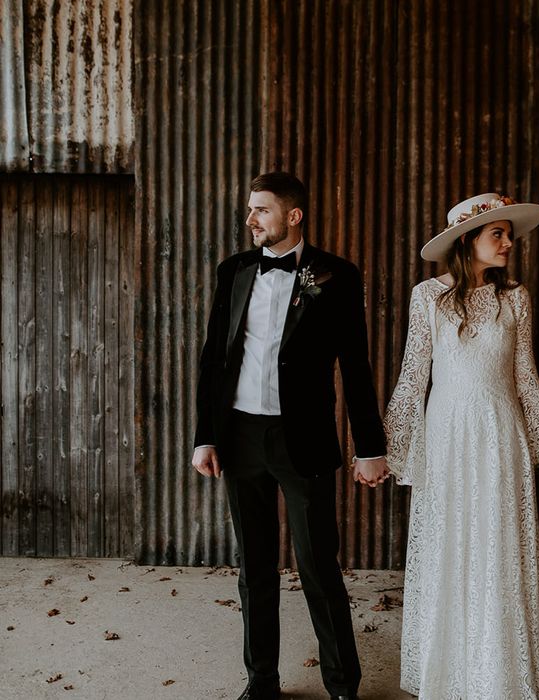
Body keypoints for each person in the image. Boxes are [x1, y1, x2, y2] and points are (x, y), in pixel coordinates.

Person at [192, 172, 389, 700]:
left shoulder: (336, 276)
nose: (251, 219)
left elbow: (356, 364)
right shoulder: (232, 271)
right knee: (254, 566)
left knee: (319, 567)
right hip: (240, 439)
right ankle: (261, 682)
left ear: (293, 216)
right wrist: (205, 437)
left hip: (302, 441)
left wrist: (370, 446)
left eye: (261, 210)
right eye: (250, 210)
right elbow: (214, 360)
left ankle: (343, 686)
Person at [384, 193, 539, 699]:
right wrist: (392, 448)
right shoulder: (428, 296)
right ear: (469, 240)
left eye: (509, 233)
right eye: (498, 234)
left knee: (498, 548)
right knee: (451, 546)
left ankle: (498, 675)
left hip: (500, 437)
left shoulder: (517, 299)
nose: (509, 242)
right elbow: (412, 377)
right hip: (448, 438)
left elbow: (527, 381)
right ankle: (448, 673)